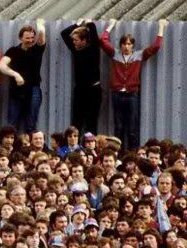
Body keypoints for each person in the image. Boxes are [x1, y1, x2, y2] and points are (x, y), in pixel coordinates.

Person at [100, 18, 166, 150]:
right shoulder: (115, 54)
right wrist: (110, 25)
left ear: (133, 46)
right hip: (117, 94)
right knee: (118, 127)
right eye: (124, 44)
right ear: (120, 45)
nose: (126, 46)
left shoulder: (139, 55)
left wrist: (161, 27)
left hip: (132, 95)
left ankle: (133, 154)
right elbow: (103, 40)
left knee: (132, 127)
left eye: (129, 44)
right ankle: (118, 155)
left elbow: (156, 46)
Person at [0, 19, 46, 133]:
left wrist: (39, 24)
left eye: (32, 38)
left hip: (33, 90)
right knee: (12, 125)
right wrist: (15, 74)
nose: (30, 40)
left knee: (31, 124)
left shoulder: (37, 49)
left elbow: (42, 34)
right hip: (16, 91)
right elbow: (1, 66)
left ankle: (32, 149)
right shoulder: (13, 51)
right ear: (21, 38)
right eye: (27, 38)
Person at [61, 18, 102, 134]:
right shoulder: (76, 50)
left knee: (91, 122)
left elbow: (93, 31)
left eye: (76, 40)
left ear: (84, 40)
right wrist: (78, 23)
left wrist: (89, 22)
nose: (73, 42)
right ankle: (74, 149)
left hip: (94, 91)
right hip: (80, 90)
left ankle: (90, 149)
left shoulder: (94, 49)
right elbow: (64, 33)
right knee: (76, 122)